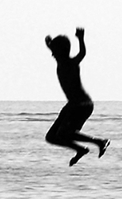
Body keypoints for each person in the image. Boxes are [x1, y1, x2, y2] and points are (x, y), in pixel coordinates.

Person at [43, 28, 109, 166]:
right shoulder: (60, 60)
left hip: (82, 104)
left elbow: (82, 53)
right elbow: (52, 47)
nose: (52, 55)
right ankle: (80, 150)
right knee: (51, 137)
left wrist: (80, 38)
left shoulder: (71, 63)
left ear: (62, 51)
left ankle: (99, 142)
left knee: (65, 133)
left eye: (55, 52)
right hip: (72, 105)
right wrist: (48, 41)